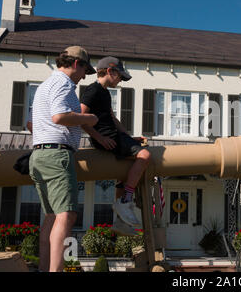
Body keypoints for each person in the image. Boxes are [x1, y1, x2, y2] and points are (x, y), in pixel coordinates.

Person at [29, 46, 98, 272]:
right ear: (77, 64)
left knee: (51, 217)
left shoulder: (44, 86)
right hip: (57, 154)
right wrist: (89, 117)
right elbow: (59, 116)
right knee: (66, 215)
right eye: (84, 71)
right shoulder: (64, 84)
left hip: (39, 154)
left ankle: (44, 267)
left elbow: (31, 125)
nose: (83, 78)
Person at [80, 56, 151, 233]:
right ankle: (126, 200)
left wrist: (128, 137)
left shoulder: (104, 92)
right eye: (120, 76)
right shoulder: (93, 91)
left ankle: (120, 222)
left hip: (114, 135)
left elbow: (112, 118)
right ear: (110, 71)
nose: (120, 81)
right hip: (105, 137)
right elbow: (80, 118)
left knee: (127, 166)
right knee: (145, 155)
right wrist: (100, 138)